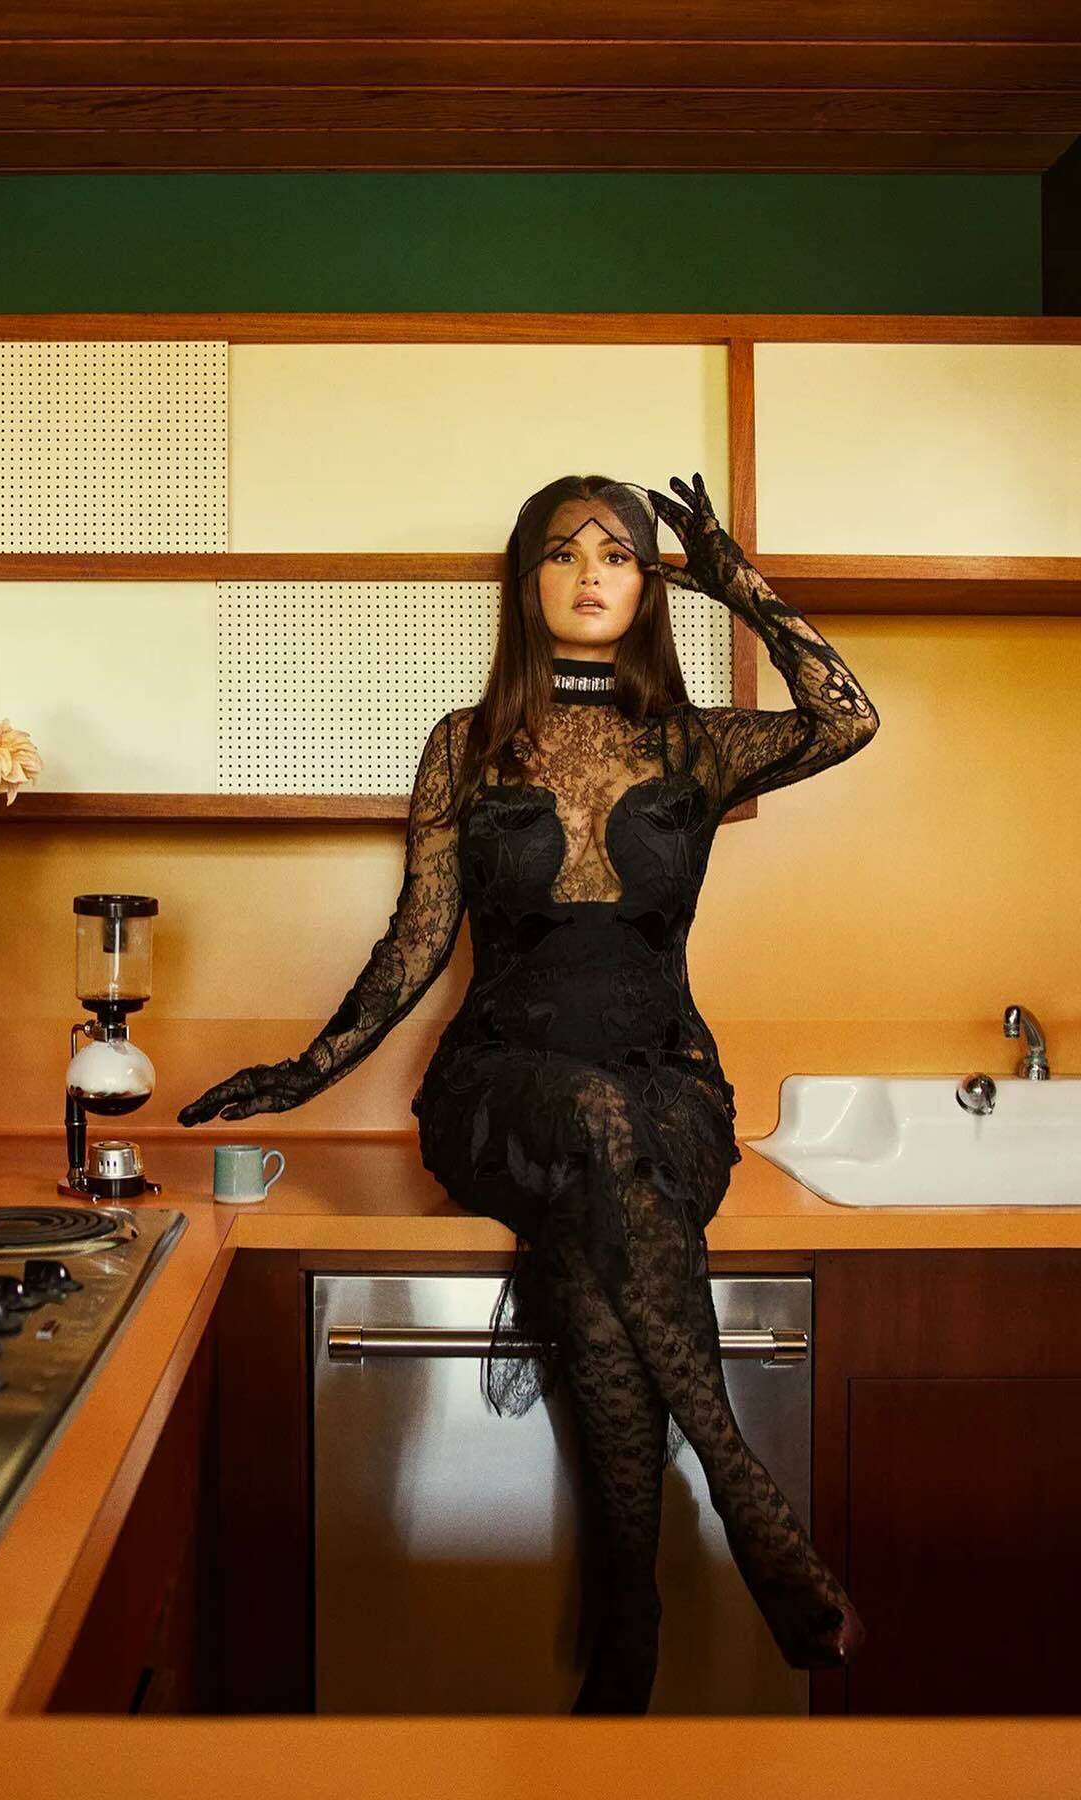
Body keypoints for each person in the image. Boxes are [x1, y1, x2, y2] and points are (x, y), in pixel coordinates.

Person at [177, 470, 880, 1714]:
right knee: (595, 1135)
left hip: (667, 1083)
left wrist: (735, 582)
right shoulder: (466, 744)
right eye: (564, 551)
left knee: (602, 1224)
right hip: (497, 1084)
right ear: (526, 580)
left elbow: (848, 716)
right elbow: (416, 941)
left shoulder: (697, 744)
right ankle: (745, 1498)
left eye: (620, 553)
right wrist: (305, 1072)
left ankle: (629, 1620)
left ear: (650, 584)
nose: (592, 572)